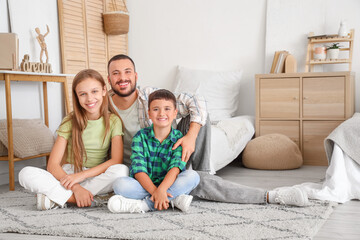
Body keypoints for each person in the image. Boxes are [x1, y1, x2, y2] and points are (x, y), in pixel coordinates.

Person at [107, 54, 309, 207]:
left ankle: (267, 195)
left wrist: (190, 137)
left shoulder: (151, 97)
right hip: (140, 170)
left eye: (127, 72)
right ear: (109, 79)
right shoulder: (101, 106)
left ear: (135, 76)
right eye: (116, 73)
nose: (122, 78)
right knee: (121, 184)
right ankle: (176, 197)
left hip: (172, 160)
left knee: (200, 118)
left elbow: (197, 101)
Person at [18, 69, 129, 210]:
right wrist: (76, 186)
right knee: (25, 173)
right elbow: (53, 165)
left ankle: (58, 197)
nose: (89, 99)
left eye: (94, 91)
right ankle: (79, 198)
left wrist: (82, 176)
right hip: (69, 175)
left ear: (103, 91)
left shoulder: (113, 121)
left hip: (94, 175)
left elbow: (116, 160)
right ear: (77, 97)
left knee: (122, 170)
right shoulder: (69, 121)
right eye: (83, 94)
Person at [107, 89, 200, 213]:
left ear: (174, 113)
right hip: (145, 185)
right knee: (119, 185)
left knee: (193, 176)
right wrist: (156, 192)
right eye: (156, 109)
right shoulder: (140, 137)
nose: (161, 113)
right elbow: (139, 170)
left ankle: (145, 205)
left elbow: (175, 168)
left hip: (169, 184)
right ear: (149, 113)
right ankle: (172, 199)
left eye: (167, 109)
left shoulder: (178, 138)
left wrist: (162, 190)